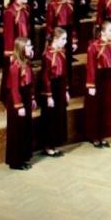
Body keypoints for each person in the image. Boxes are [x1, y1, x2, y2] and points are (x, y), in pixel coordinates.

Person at [85, 21, 111, 148]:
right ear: (102, 32)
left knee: (106, 108)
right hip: (97, 79)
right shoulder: (93, 46)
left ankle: (103, 134)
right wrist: (91, 85)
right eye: (110, 30)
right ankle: (94, 136)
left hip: (107, 79)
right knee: (95, 108)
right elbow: (91, 67)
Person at [5, 37, 36, 170]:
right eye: (28, 46)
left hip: (26, 96)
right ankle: (15, 162)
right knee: (17, 130)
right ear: (21, 48)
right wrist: (19, 106)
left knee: (24, 129)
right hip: (17, 100)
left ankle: (23, 158)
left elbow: (30, 83)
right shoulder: (15, 66)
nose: (31, 48)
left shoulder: (26, 63)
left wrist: (32, 98)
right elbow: (14, 88)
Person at [40, 28, 70, 157]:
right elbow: (45, 77)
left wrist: (66, 90)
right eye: (63, 39)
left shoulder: (62, 53)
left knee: (58, 116)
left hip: (60, 87)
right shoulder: (47, 55)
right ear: (56, 39)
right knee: (50, 118)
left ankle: (54, 144)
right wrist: (49, 95)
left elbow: (65, 74)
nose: (66, 41)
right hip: (51, 88)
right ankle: (47, 146)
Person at [0, 0, 31, 102]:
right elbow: (8, 35)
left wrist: (28, 47)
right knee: (11, 76)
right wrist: (11, 54)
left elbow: (27, 28)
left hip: (23, 47)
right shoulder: (10, 12)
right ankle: (8, 99)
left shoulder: (26, 9)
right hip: (14, 50)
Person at [45, 0, 78, 84]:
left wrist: (74, 40)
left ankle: (67, 85)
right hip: (57, 34)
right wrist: (52, 39)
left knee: (67, 61)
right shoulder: (53, 4)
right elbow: (49, 24)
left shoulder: (71, 3)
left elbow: (73, 23)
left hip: (68, 33)